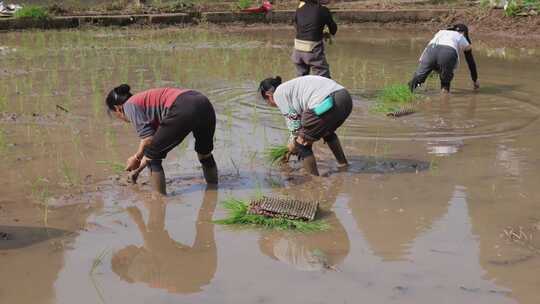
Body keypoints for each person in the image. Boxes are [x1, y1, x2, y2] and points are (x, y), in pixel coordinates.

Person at [105, 85, 218, 195]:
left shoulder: (129, 106)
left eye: (116, 115)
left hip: (182, 106)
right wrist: (137, 171)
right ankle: (214, 190)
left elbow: (148, 140)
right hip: (203, 103)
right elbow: (151, 146)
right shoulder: (144, 103)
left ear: (117, 108)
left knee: (155, 159)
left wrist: (136, 157)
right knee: (204, 153)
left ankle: (159, 200)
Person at [259, 75, 352, 176]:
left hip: (328, 102)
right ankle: (343, 165)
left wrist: (292, 145)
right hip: (345, 98)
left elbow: (294, 124)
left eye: (267, 101)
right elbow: (302, 122)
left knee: (301, 144)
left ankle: (314, 180)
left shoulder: (278, 94)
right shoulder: (290, 88)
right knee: (326, 133)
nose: (270, 104)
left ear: (269, 95)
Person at [409, 23, 479, 93]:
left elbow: (430, 48)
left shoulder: (441, 32)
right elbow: (470, 62)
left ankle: (407, 90)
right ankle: (444, 97)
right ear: (464, 32)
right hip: (448, 53)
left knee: (418, 79)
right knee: (445, 83)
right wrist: (475, 80)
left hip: (430, 51)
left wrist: (428, 66)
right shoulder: (461, 36)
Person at [292, 0, 337, 78]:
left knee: (300, 79)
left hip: (297, 49)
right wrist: (325, 34)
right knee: (323, 78)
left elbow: (298, 26)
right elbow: (333, 29)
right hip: (312, 49)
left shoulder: (299, 9)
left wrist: (320, 33)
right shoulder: (323, 10)